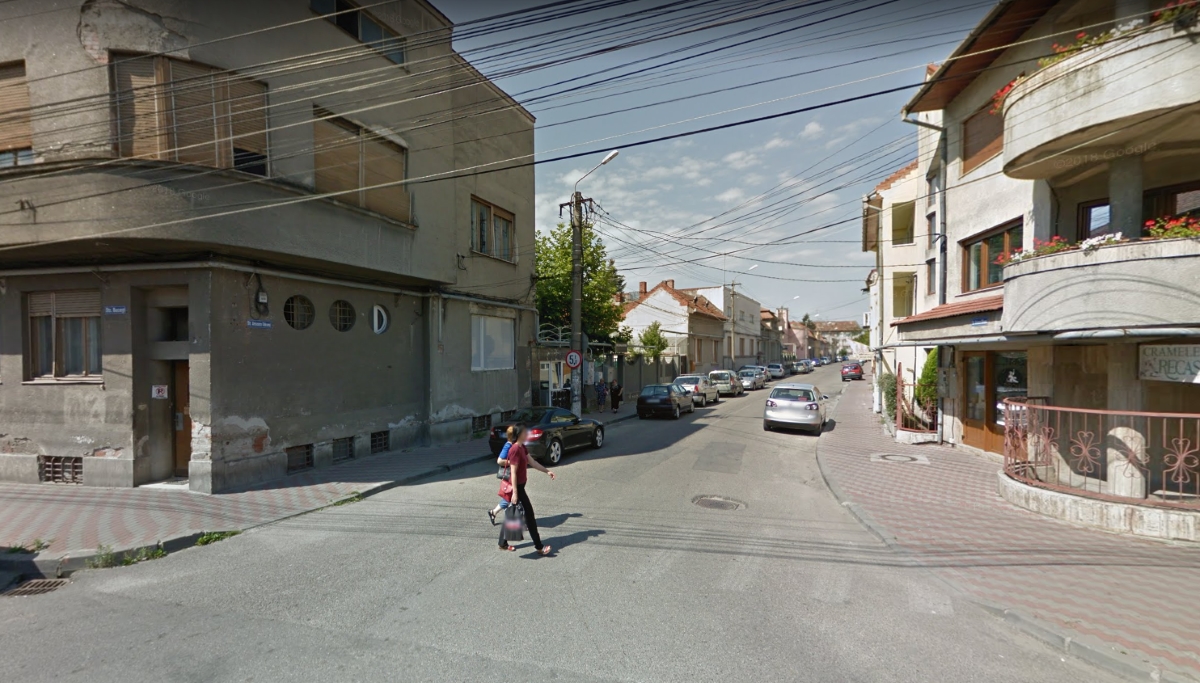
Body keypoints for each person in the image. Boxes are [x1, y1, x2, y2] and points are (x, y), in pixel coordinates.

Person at [499, 424, 556, 555]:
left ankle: (502, 543)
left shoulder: (522, 447)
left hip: (520, 487)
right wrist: (515, 493)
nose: (527, 434)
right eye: (525, 432)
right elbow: (513, 473)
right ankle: (539, 547)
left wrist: (547, 471)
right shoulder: (514, 449)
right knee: (529, 517)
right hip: (517, 488)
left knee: (513, 515)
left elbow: (533, 462)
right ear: (519, 434)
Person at [488, 433, 516, 525]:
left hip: (515, 475)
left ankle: (494, 512)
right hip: (510, 476)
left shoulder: (516, 445)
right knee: (511, 497)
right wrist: (513, 462)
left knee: (510, 497)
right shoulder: (508, 445)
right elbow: (499, 461)